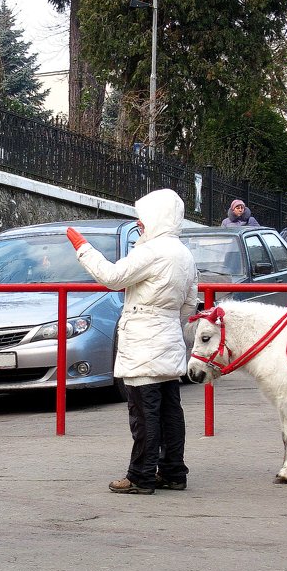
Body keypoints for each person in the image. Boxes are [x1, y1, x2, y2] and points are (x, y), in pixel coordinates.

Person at [66, 189, 199, 494]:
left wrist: (83, 248)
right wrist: (167, 324)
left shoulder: (151, 251)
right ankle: (173, 471)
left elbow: (112, 277)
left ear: (155, 218)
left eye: (143, 217)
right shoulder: (184, 254)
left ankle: (141, 475)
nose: (140, 222)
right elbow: (189, 303)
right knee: (170, 410)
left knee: (143, 413)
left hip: (142, 338)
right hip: (168, 336)